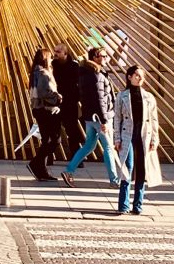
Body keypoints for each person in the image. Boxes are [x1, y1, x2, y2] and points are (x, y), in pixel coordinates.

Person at [60, 47, 118, 186]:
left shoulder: (86, 73)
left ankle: (69, 171)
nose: (106, 58)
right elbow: (100, 100)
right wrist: (104, 120)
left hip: (90, 117)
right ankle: (114, 180)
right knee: (108, 147)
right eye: (103, 56)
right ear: (95, 57)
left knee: (88, 146)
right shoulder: (96, 75)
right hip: (100, 118)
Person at [113, 65, 161, 215]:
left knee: (141, 170)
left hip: (143, 135)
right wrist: (117, 138)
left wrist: (155, 138)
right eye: (137, 75)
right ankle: (123, 205)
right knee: (127, 169)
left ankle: (138, 205)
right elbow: (117, 119)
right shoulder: (122, 96)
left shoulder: (149, 97)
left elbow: (154, 120)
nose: (140, 79)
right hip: (128, 134)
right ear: (129, 77)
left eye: (142, 76)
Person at [26, 48, 62, 181]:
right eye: (50, 57)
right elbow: (43, 92)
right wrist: (57, 96)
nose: (52, 59)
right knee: (55, 140)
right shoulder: (43, 73)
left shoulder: (35, 72)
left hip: (39, 109)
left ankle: (41, 170)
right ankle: (36, 163)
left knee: (46, 140)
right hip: (46, 110)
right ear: (46, 58)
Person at [52, 42, 82, 160]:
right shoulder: (52, 65)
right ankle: (48, 157)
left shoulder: (74, 66)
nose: (55, 54)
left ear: (65, 53)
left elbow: (79, 84)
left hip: (70, 104)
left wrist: (75, 98)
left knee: (73, 132)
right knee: (53, 132)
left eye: (58, 52)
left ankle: (76, 159)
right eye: (55, 51)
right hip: (55, 103)